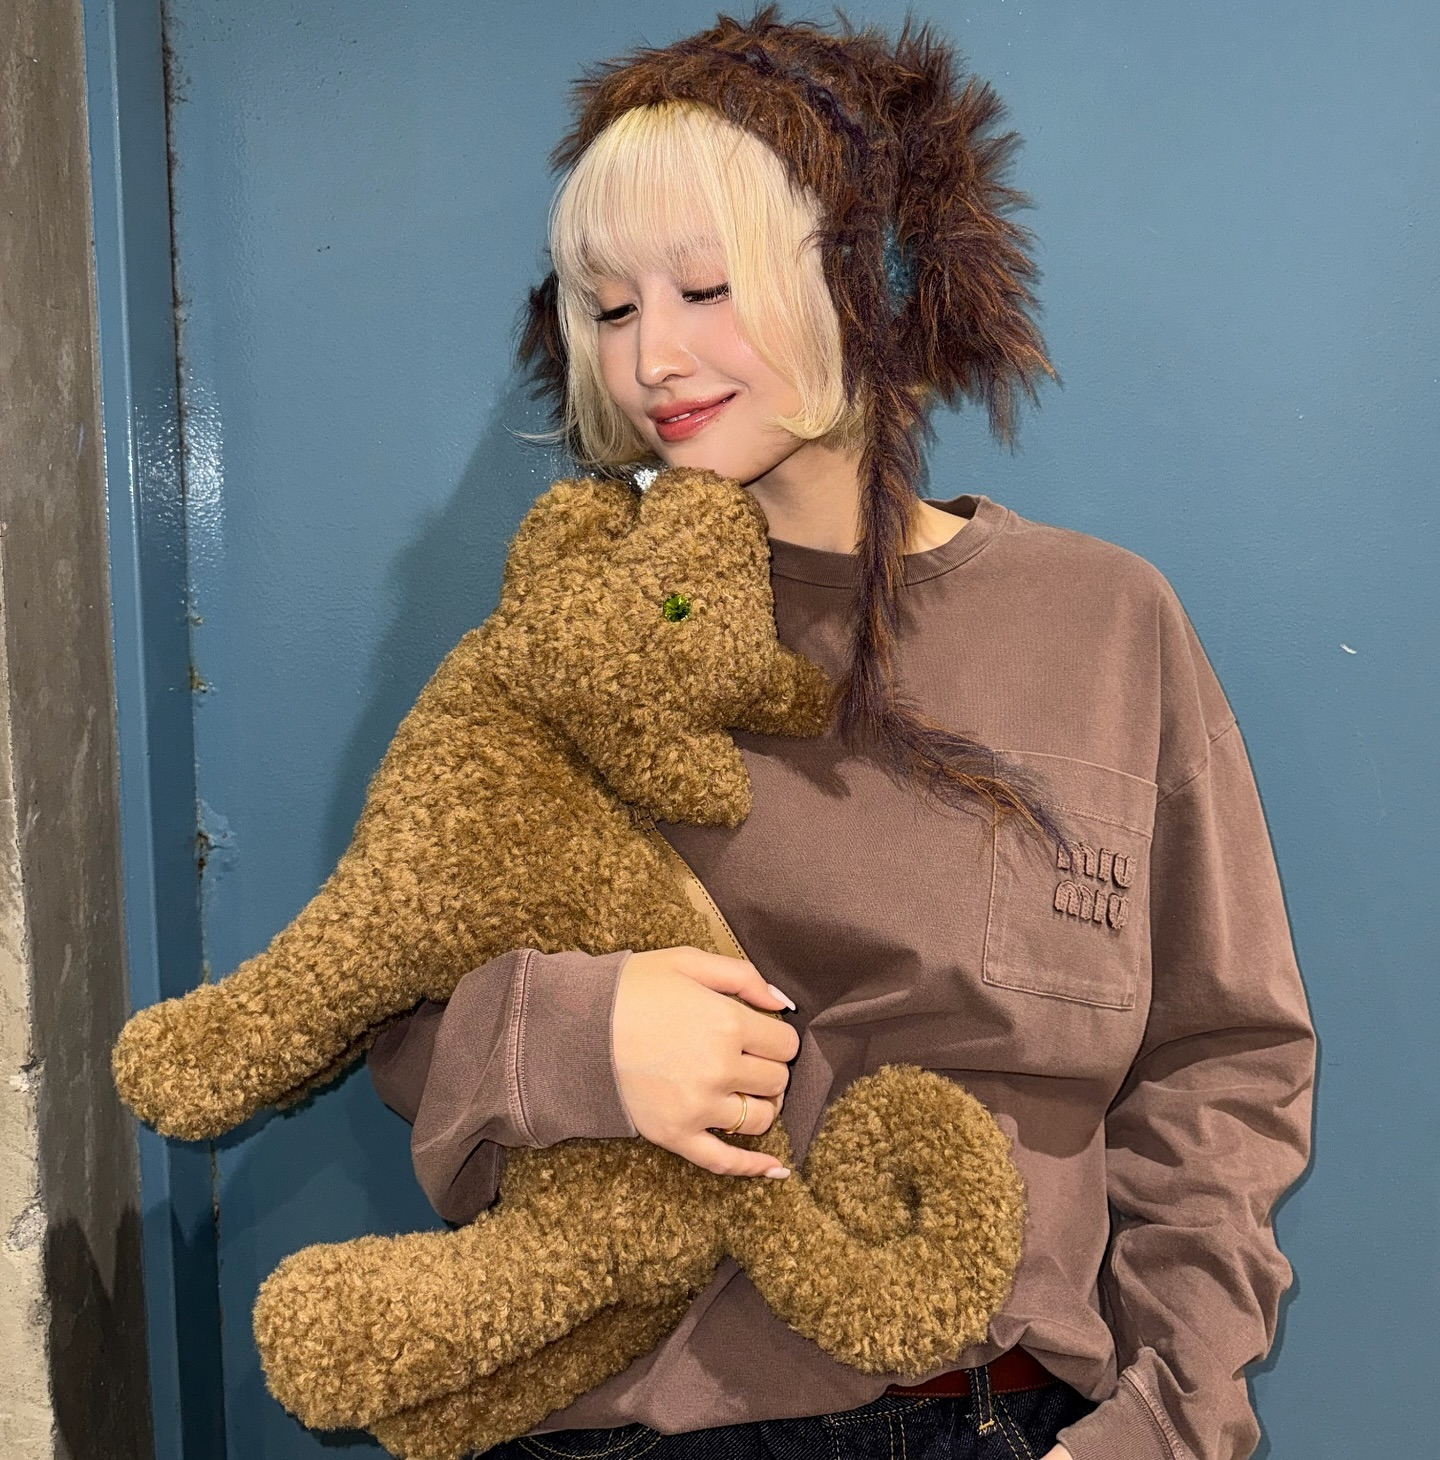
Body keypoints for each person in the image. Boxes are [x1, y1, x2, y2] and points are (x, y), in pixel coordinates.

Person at [367, 10, 1316, 1459]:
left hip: (1003, 1413)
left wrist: (1173, 1418)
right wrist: (578, 1038)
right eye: (609, 310)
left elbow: (1222, 1058)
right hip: (636, 1423)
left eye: (706, 287)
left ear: (873, 279)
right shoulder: (575, 632)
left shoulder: (1107, 625)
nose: (654, 357)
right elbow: (392, 1004)